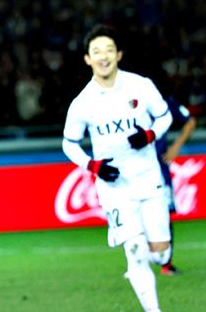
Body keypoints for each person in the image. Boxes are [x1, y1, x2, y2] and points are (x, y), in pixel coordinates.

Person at [62, 24, 173, 312]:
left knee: (160, 254)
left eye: (108, 50)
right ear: (87, 59)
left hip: (148, 180)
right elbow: (69, 144)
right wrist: (93, 165)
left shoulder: (141, 86)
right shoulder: (82, 103)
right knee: (134, 251)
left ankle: (152, 259)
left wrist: (150, 135)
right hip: (115, 187)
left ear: (119, 54)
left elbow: (164, 118)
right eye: (96, 51)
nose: (103, 56)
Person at [154, 95, 197, 276]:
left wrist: (175, 147)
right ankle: (136, 264)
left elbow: (190, 122)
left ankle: (166, 264)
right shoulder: (125, 100)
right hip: (133, 171)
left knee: (164, 217)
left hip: (159, 170)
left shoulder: (164, 103)